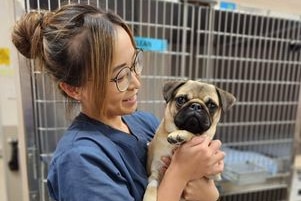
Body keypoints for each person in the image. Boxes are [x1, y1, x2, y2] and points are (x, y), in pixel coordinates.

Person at [11, 4, 225, 201]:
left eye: (135, 63)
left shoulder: (147, 124)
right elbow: (182, 171)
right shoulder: (81, 161)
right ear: (73, 88)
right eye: (119, 76)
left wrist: (209, 191)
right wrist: (181, 173)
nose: (136, 82)